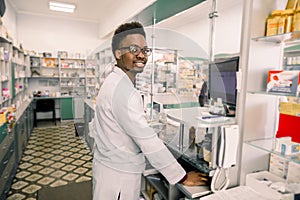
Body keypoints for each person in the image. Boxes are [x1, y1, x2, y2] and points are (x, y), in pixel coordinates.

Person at [92, 21, 204, 200]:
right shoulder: (122, 90)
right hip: (119, 177)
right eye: (134, 49)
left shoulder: (115, 82)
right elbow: (147, 141)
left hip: (111, 170)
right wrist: (181, 176)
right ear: (118, 53)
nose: (142, 55)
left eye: (145, 50)